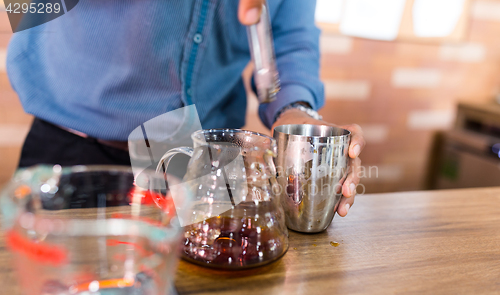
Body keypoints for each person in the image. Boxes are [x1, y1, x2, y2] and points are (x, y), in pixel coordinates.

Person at [6, 0, 365, 217]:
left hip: (210, 160)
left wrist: (296, 109)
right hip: (73, 151)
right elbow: (25, 8)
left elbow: (289, 38)